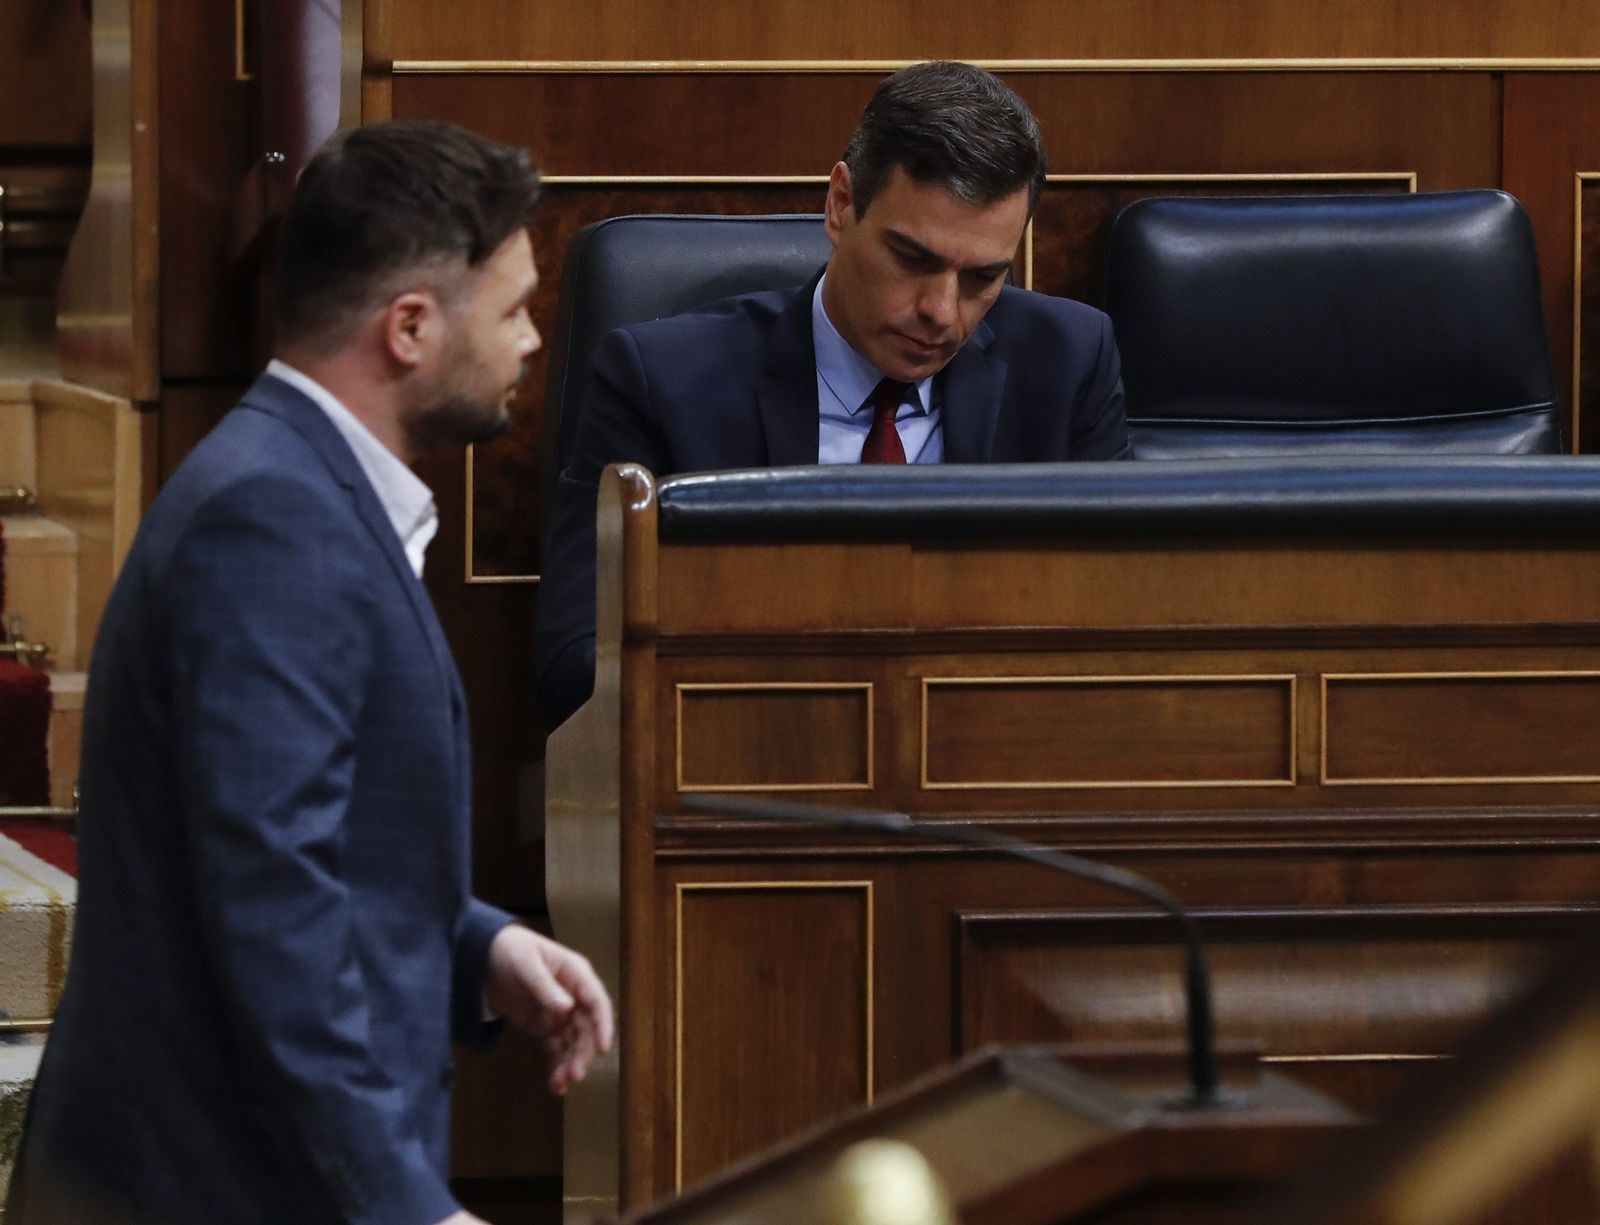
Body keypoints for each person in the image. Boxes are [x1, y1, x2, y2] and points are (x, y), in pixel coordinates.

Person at [7, 120, 613, 1225]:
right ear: (411, 327)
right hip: (204, 1189)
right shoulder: (275, 521)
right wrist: (402, 1207)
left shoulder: (299, 491)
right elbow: (269, 899)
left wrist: (478, 943)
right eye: (515, 305)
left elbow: (310, 850)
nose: (533, 340)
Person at [536, 61, 1131, 729]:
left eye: (982, 277)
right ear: (841, 204)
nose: (941, 310)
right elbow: (574, 663)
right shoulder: (662, 381)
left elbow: (1116, 634)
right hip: (749, 771)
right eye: (911, 258)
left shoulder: (1066, 361)